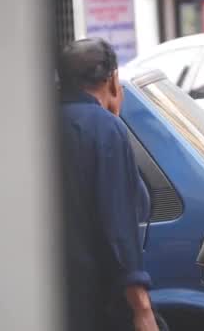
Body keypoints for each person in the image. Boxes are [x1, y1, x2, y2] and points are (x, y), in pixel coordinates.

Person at [58, 38, 160, 331]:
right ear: (113, 78)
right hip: (97, 297)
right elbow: (120, 224)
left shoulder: (40, 122)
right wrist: (141, 308)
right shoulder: (103, 128)